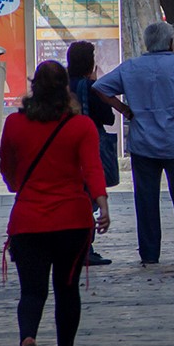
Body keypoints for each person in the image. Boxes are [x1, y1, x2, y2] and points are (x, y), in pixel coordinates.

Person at [0, 61, 110, 346]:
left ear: (34, 87)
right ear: (66, 88)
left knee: (31, 292)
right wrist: (102, 205)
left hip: (28, 221)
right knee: (67, 291)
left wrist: (18, 185)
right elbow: (92, 170)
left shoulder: (15, 125)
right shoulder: (81, 126)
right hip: (72, 221)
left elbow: (7, 167)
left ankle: (28, 339)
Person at [93, 21, 174, 265]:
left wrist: (123, 108)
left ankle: (150, 253)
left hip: (143, 143)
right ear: (171, 42)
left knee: (146, 200)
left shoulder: (131, 67)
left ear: (147, 43)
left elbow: (100, 87)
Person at [68, 40, 116, 266]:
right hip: (89, 145)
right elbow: (108, 117)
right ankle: (85, 248)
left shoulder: (63, 86)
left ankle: (76, 246)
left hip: (64, 150)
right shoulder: (90, 88)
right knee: (88, 198)